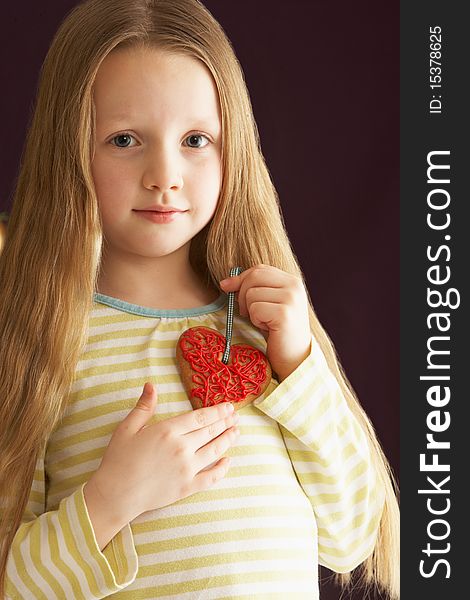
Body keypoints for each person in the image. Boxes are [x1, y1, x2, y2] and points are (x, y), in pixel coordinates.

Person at [0, 0, 399, 598]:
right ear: (70, 149)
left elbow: (351, 536)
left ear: (231, 150)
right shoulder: (40, 343)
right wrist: (112, 500)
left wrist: (299, 368)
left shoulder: (267, 336)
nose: (164, 173)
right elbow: (16, 585)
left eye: (194, 139)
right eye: (125, 138)